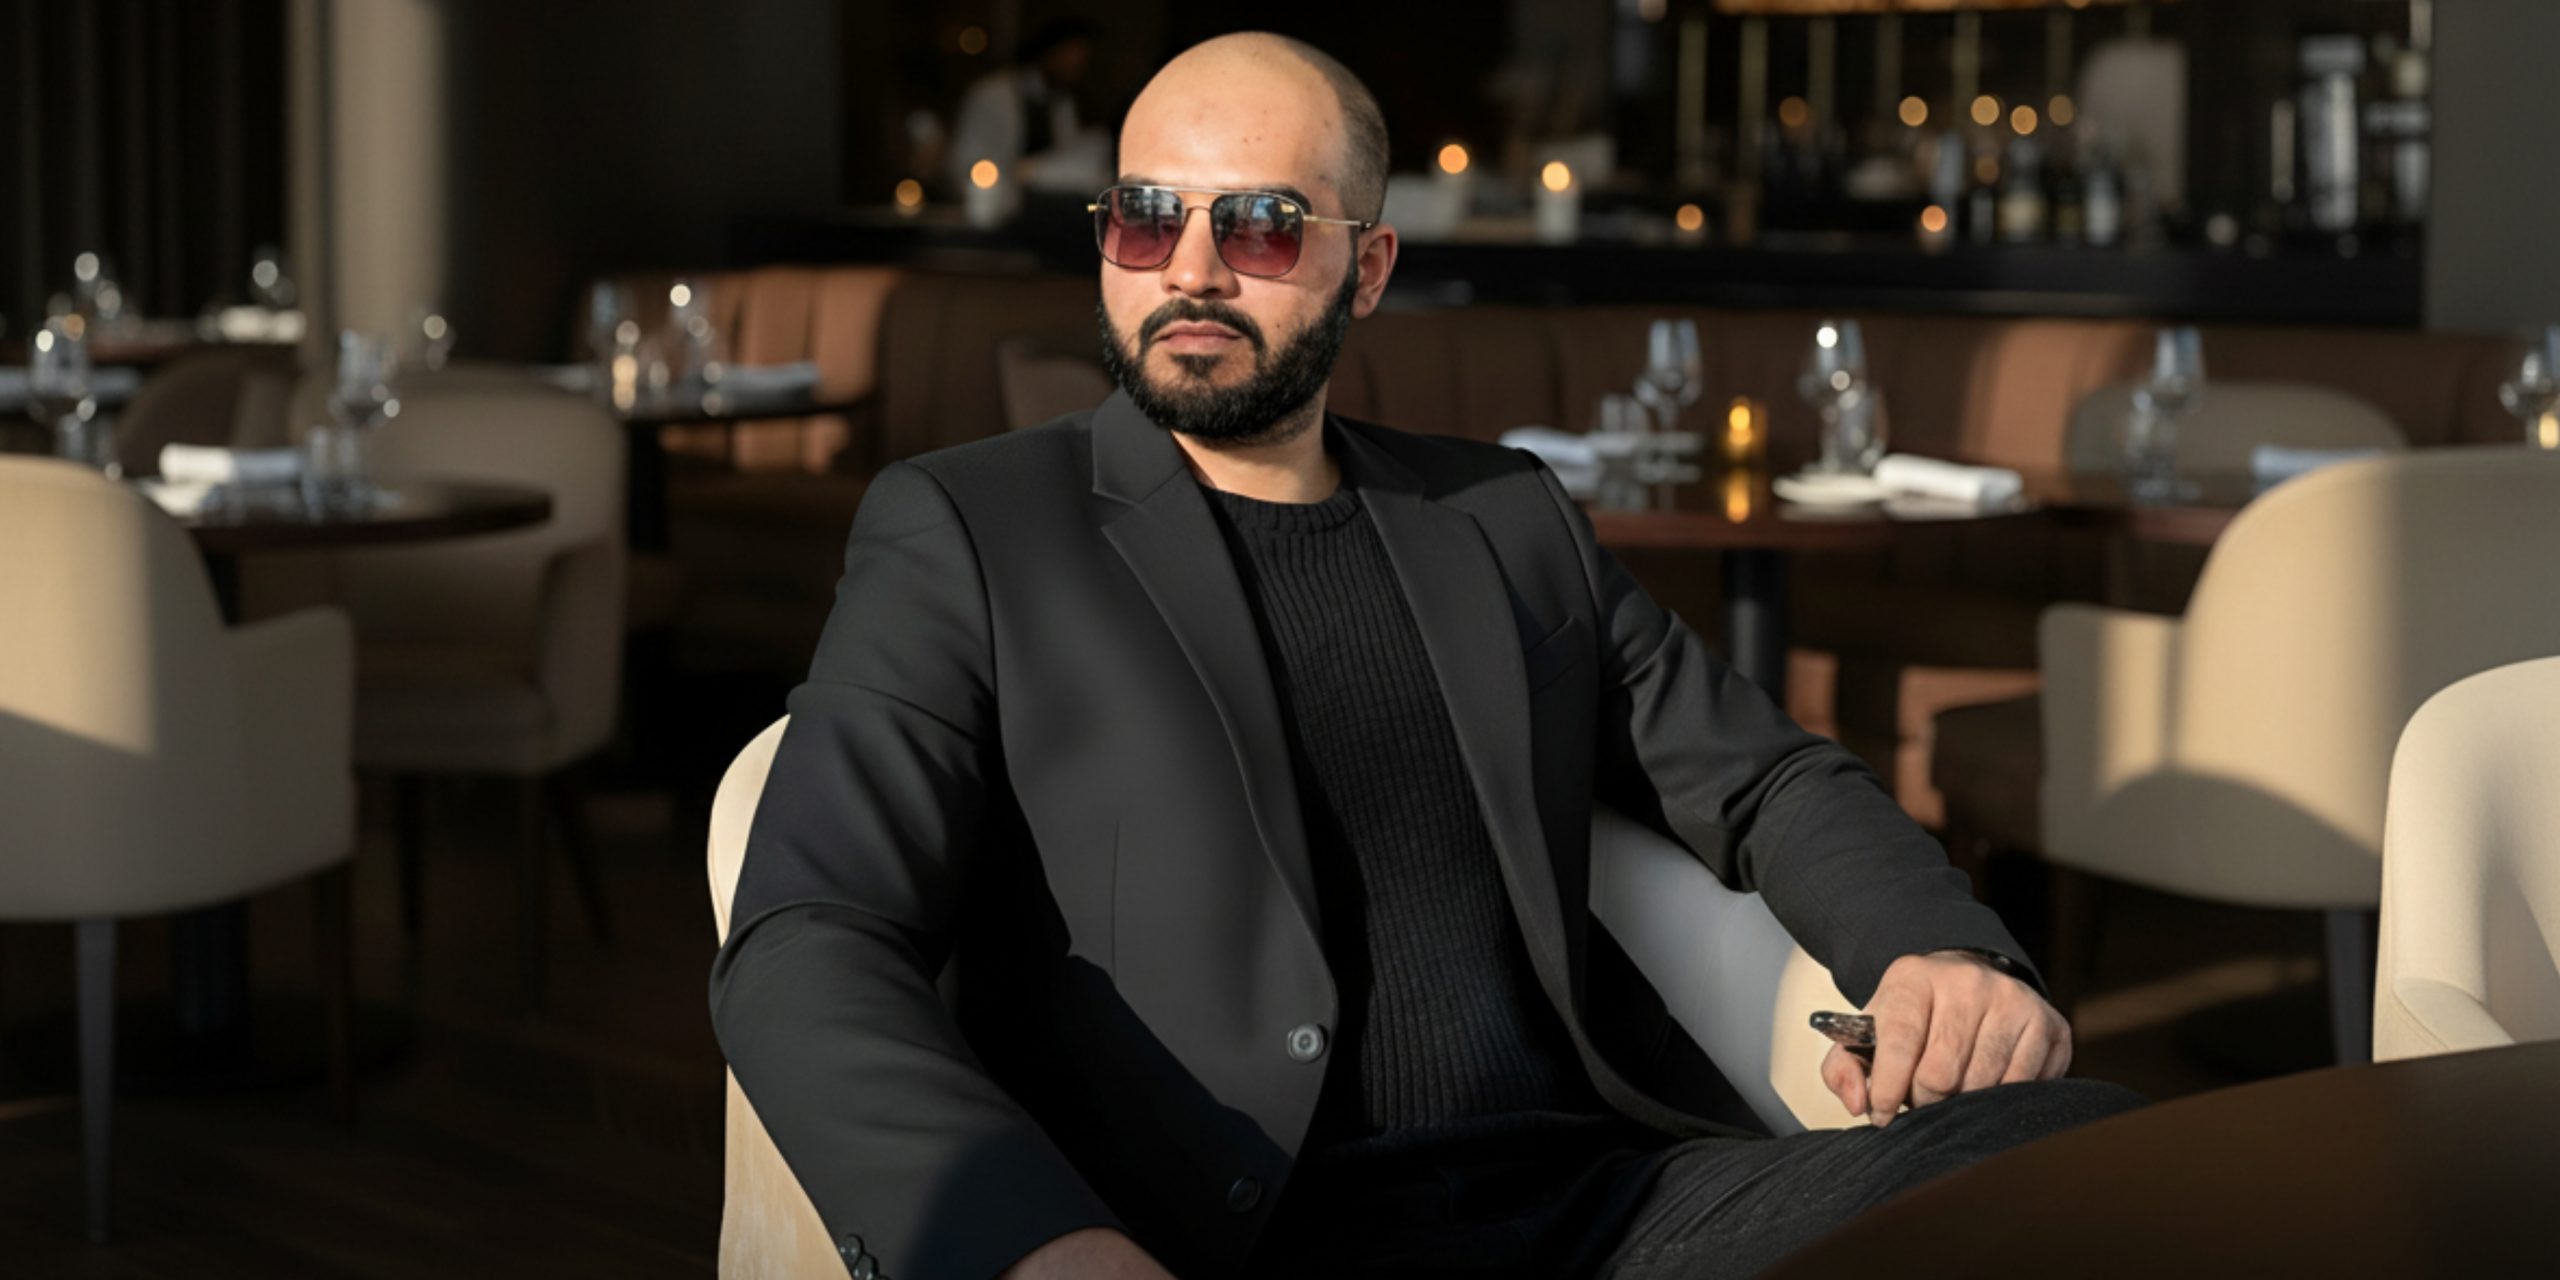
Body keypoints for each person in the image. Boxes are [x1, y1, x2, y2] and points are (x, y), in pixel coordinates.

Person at [712, 31, 2148, 1280]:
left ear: (1369, 266)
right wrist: (1031, 1244)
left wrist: (1937, 952)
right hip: (1232, 1240)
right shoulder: (971, 528)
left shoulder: (1499, 516)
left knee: (2107, 1160)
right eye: (1145, 219)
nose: (1190, 271)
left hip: (1606, 1212)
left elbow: (1764, 776)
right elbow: (807, 942)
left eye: (1262, 226)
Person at [945, 18, 1111, 198]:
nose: (1074, 68)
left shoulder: (1062, 102)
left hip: (1045, 195)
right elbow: (964, 162)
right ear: (1048, 52)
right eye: (1068, 58)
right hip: (993, 198)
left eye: (1080, 64)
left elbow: (1065, 153)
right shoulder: (993, 94)